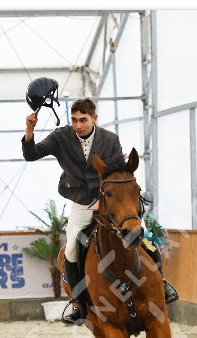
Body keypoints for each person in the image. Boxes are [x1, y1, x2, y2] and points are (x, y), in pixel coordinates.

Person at [22, 95, 178, 325]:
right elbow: (30, 154)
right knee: (72, 248)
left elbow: (116, 172)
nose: (78, 125)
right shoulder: (61, 137)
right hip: (81, 202)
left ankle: (162, 283)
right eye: (74, 120)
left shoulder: (110, 140)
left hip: (111, 201)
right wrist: (29, 130)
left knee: (144, 237)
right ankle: (78, 304)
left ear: (94, 118)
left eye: (83, 120)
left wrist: (102, 200)